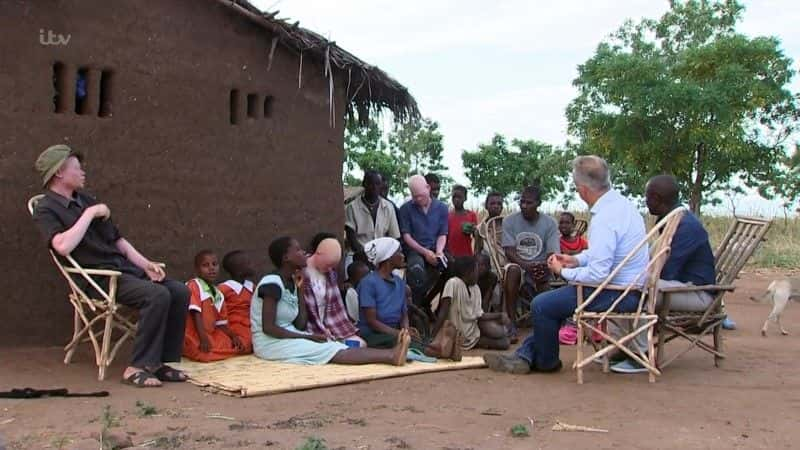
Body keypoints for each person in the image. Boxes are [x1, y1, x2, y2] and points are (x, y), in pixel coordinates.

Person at [32, 144, 189, 387]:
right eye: (77, 167)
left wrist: (145, 264)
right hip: (99, 279)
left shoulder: (85, 199)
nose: (83, 172)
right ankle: (135, 368)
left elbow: (118, 241)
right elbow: (63, 246)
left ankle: (158, 363)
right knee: (156, 295)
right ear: (59, 173)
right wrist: (90, 213)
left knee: (179, 290)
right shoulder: (46, 209)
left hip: (123, 270)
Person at [484, 155, 649, 374]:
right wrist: (576, 259)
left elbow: (599, 273)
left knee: (542, 305)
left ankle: (544, 361)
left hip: (618, 292)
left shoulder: (604, 217)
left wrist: (563, 272)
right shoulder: (622, 206)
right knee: (552, 303)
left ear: (582, 189)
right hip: (628, 286)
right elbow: (608, 255)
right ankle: (525, 355)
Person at [609, 174, 717, 374]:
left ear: (657, 199)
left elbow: (666, 270)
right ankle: (623, 348)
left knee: (639, 289)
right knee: (627, 284)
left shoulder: (686, 227)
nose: (645, 201)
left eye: (647, 197)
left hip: (699, 293)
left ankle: (640, 355)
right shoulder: (672, 220)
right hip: (679, 287)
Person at [251, 236, 410, 366]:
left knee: (334, 346)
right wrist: (307, 337)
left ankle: (391, 354)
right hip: (269, 343)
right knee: (329, 350)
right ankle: (390, 356)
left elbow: (300, 324)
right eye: (298, 250)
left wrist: (300, 291)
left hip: (287, 337)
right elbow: (268, 328)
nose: (303, 252)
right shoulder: (271, 283)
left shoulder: (294, 283)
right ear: (286, 257)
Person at [358, 237, 460, 359]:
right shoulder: (368, 283)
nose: (403, 256)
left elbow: (403, 314)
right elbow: (372, 321)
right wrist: (399, 334)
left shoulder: (399, 283)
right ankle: (439, 351)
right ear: (388, 258)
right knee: (402, 342)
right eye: (399, 253)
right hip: (372, 333)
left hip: (394, 331)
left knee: (411, 339)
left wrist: (406, 330)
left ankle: (440, 348)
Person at [501, 185, 560, 342]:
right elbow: (509, 251)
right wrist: (527, 266)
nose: (524, 206)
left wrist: (543, 265)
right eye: (522, 202)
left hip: (541, 265)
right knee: (512, 271)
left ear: (538, 203)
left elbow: (552, 252)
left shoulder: (550, 223)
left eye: (529, 203)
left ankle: (543, 328)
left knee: (543, 276)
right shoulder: (510, 221)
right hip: (518, 264)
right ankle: (511, 324)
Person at [183, 250, 248, 362]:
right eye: (205, 265)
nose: (211, 268)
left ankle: (217, 350)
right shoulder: (194, 285)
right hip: (193, 333)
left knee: (238, 344)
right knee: (202, 351)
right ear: (197, 270)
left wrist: (234, 337)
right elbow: (195, 313)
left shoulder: (218, 294)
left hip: (209, 334)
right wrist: (203, 338)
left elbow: (221, 324)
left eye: (214, 264)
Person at [434, 256, 510, 351]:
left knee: (505, 342)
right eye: (476, 270)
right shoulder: (453, 283)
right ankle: (468, 342)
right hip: (455, 332)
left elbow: (479, 315)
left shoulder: (475, 288)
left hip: (472, 331)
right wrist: (433, 336)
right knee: (499, 334)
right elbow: (443, 312)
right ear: (468, 272)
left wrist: (499, 315)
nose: (478, 274)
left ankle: (476, 342)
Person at [398, 175, 449, 309]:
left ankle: (429, 303)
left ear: (428, 188)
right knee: (416, 271)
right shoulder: (405, 209)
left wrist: (438, 252)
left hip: (436, 248)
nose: (418, 199)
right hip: (415, 250)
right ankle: (416, 308)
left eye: (421, 195)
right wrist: (426, 252)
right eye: (415, 196)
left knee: (452, 270)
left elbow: (442, 234)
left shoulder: (442, 208)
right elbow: (407, 237)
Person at [302, 236, 364, 345]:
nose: (329, 268)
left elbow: (336, 307)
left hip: (329, 326)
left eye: (332, 266)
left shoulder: (330, 273)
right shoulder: (301, 271)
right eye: (328, 264)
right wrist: (321, 330)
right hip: (310, 328)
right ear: (319, 253)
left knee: (360, 344)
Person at [345, 170, 401, 264]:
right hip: (358, 254)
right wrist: (368, 256)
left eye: (378, 184)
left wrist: (384, 256)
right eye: (370, 184)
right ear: (364, 184)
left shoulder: (388, 207)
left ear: (381, 186)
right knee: (352, 270)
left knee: (396, 275)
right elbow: (352, 239)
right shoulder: (352, 207)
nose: (374, 187)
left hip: (383, 256)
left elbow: (394, 238)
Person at [218, 250, 256, 354]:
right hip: (234, 327)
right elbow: (217, 313)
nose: (253, 265)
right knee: (243, 344)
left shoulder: (251, 286)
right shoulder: (224, 288)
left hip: (252, 324)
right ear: (239, 271)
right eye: (248, 263)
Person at [446, 185, 479, 257]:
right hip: (451, 256)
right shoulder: (447, 216)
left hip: (467, 255)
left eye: (459, 197)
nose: (456, 199)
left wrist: (473, 229)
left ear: (465, 198)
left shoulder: (471, 215)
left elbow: (476, 237)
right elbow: (445, 237)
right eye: (454, 197)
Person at [473, 191, 505, 257]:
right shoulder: (480, 229)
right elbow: (477, 252)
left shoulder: (508, 226)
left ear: (502, 207)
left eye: (499, 204)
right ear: (486, 206)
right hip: (487, 265)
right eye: (492, 203)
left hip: (506, 265)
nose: (496, 206)